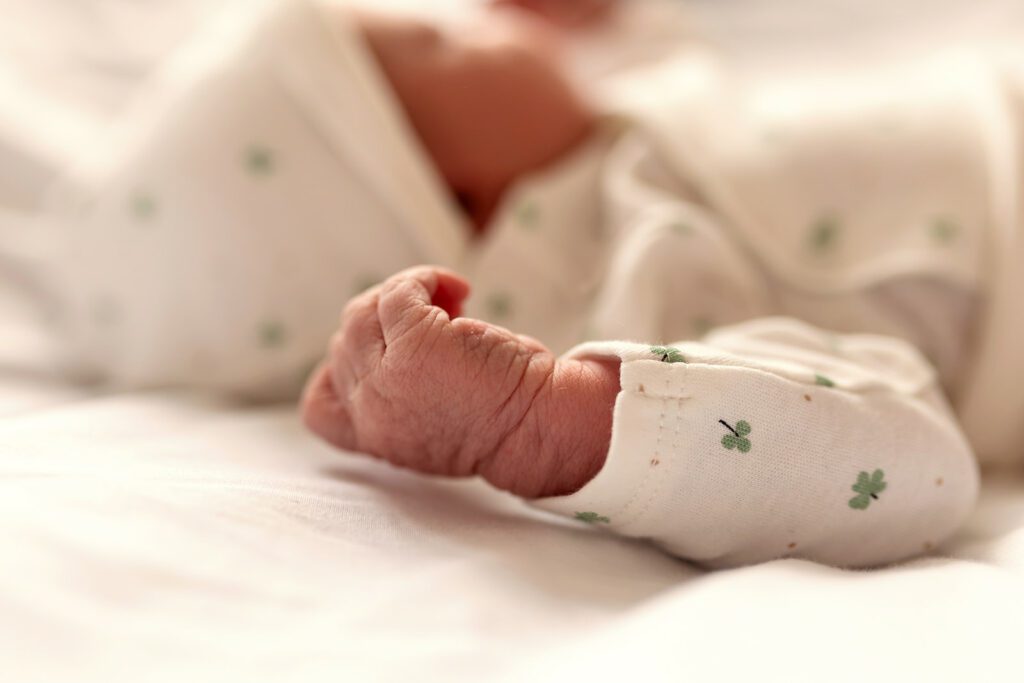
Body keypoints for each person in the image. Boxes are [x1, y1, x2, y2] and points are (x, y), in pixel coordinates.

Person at [36, 0, 1024, 567]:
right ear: (457, 200)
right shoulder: (643, 284)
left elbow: (666, 64)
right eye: (440, 45)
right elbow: (906, 465)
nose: (477, 20)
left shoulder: (612, 136)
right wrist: (548, 421)